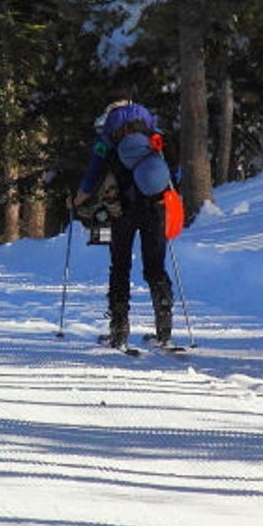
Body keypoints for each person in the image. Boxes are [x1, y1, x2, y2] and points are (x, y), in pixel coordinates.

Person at [71, 93, 176, 349]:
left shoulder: (107, 138)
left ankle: (119, 330)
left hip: (121, 210)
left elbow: (92, 177)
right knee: (155, 266)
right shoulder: (153, 133)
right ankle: (164, 329)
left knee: (119, 267)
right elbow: (172, 172)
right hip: (155, 205)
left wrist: (76, 202)